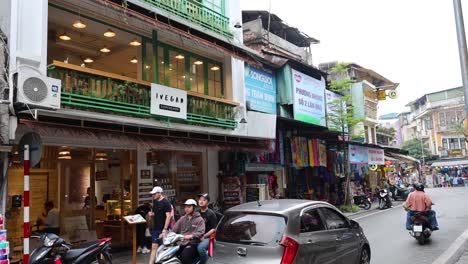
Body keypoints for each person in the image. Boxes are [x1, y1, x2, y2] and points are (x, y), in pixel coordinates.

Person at [172, 199, 205, 264]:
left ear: (194, 207)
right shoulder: (182, 218)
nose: (186, 209)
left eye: (189, 207)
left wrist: (191, 236)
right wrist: (166, 233)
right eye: (185, 207)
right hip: (181, 242)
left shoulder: (199, 220)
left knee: (184, 256)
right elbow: (174, 229)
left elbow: (200, 232)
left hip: (193, 243)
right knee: (171, 254)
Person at [148, 187, 172, 264]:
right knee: (154, 246)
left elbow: (168, 216)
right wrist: (151, 214)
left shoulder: (166, 203)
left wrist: (165, 229)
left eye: (154, 194)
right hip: (156, 228)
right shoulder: (155, 202)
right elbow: (155, 213)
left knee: (164, 248)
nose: (153, 195)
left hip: (163, 229)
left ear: (159, 193)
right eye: (152, 194)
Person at [197, 193, 218, 264]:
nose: (201, 201)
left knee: (200, 248)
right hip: (199, 236)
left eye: (204, 200)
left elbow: (213, 229)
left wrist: (204, 236)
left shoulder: (211, 213)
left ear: (208, 202)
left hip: (210, 237)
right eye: (200, 199)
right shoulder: (197, 213)